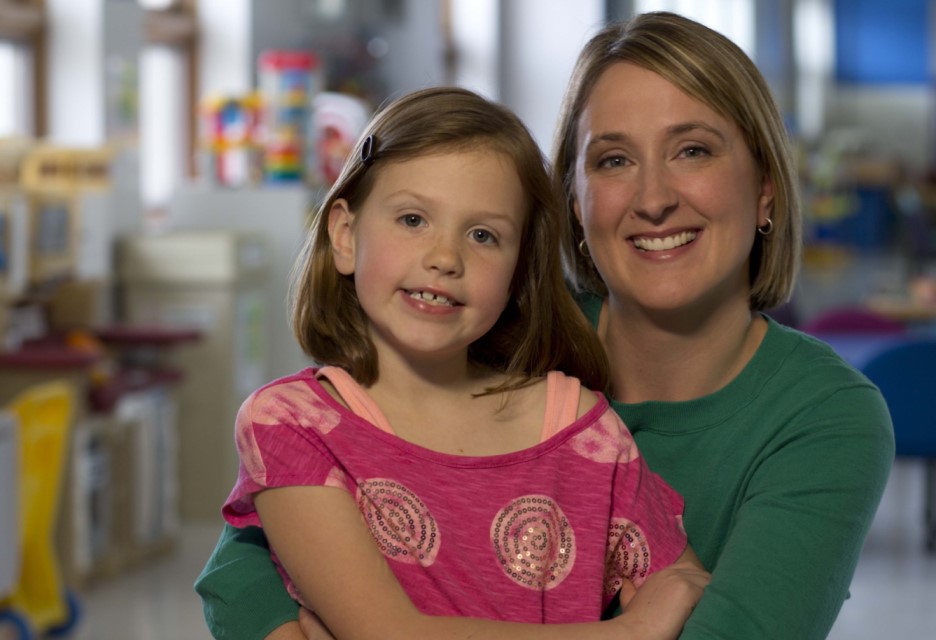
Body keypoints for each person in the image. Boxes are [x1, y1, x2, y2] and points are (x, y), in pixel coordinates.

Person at [196, 12, 895, 639]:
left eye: (692, 150)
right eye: (614, 160)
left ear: (765, 190)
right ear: (575, 207)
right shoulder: (496, 328)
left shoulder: (823, 418)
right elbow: (249, 556)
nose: (653, 198)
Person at [214, 85, 709, 640]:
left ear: (518, 272)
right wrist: (630, 634)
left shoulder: (581, 429)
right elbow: (386, 633)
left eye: (483, 235)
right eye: (412, 220)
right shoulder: (294, 425)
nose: (445, 258)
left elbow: (685, 583)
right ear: (346, 236)